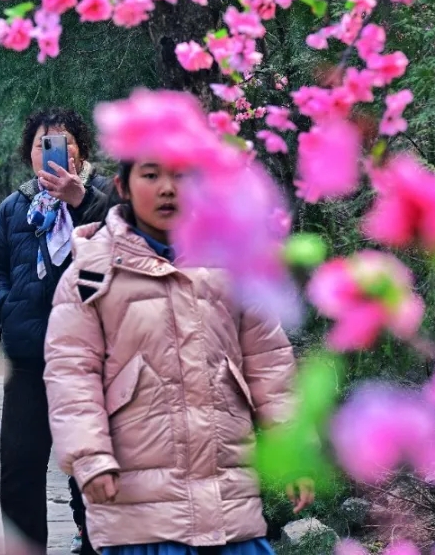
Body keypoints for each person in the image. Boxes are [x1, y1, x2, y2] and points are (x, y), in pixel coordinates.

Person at [44, 161, 314, 553]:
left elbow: (271, 366)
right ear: (123, 185)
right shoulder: (91, 272)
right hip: (140, 518)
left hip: (229, 511)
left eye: (182, 176)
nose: (167, 189)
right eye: (151, 175)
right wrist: (90, 458)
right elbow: (72, 376)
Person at [0, 108, 120, 553]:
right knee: (18, 470)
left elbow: (126, 242)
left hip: (93, 363)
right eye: (43, 144)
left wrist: (81, 200)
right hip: (29, 360)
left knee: (92, 469)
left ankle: (96, 545)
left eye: (63, 143)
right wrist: (6, 308)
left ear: (81, 150)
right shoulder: (15, 205)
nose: (52, 152)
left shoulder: (105, 194)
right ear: (30, 154)